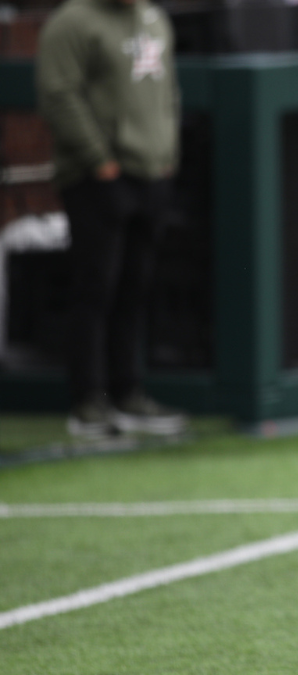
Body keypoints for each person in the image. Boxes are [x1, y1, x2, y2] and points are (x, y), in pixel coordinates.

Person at [37, 0, 187, 439]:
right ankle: (88, 400)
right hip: (96, 178)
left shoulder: (153, 18)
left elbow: (168, 92)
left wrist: (167, 154)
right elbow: (58, 93)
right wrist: (99, 160)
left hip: (151, 172)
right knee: (94, 287)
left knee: (135, 287)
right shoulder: (71, 23)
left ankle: (129, 393)